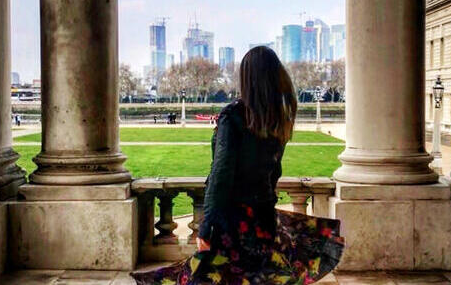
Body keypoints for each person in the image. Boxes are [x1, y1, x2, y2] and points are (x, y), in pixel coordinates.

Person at [132, 46, 343, 285]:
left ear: (247, 78)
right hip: (262, 216)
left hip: (232, 218)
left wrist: (207, 225)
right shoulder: (278, 117)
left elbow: (221, 173)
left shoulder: (233, 115)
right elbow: (274, 171)